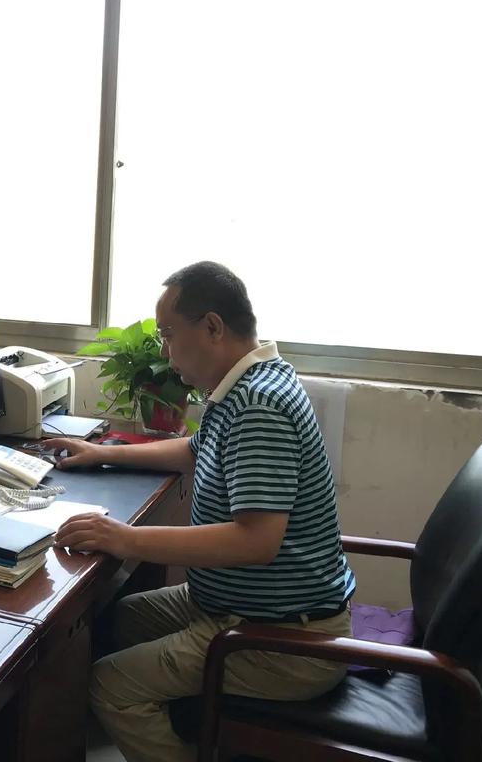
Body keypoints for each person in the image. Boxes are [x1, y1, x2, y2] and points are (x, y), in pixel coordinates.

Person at [46, 261, 356, 762]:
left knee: (109, 684)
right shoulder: (248, 382)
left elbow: (255, 541)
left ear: (212, 326)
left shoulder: (259, 405)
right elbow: (195, 449)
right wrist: (103, 452)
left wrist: (123, 537)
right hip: (238, 606)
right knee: (118, 620)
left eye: (169, 335)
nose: (165, 353)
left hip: (282, 640)